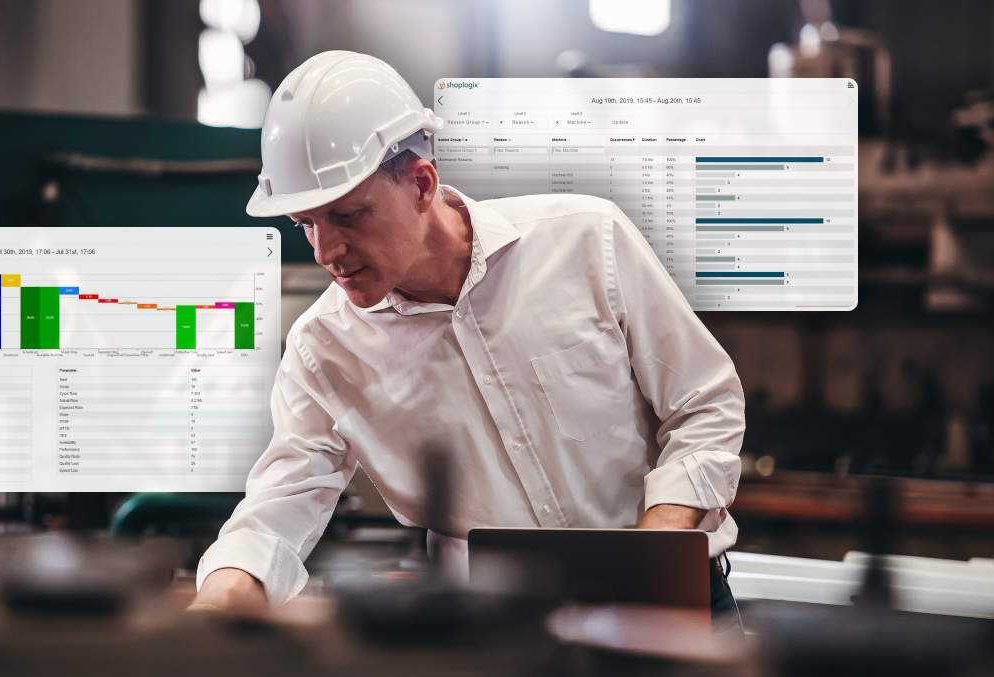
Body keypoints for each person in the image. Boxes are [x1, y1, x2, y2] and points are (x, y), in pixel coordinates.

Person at [190, 51, 746, 634]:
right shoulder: (323, 348)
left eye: (347, 216)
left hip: (671, 608)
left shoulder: (586, 241)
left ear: (421, 183)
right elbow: (280, 505)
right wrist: (223, 594)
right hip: (498, 635)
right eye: (306, 224)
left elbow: (703, 404)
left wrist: (653, 551)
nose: (325, 251)